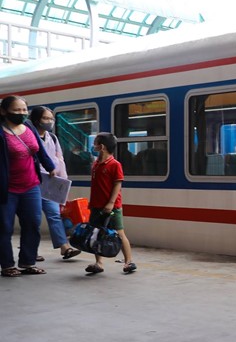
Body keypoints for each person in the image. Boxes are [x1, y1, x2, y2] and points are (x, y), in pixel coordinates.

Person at [1, 96, 56, 277]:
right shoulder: (1, 132)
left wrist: (50, 167)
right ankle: (7, 265)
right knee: (4, 227)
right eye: (16, 110)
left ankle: (27, 262)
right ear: (4, 111)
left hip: (31, 185)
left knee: (32, 224)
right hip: (6, 188)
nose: (21, 114)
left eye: (24, 110)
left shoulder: (30, 127)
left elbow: (39, 149)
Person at [29, 106, 81, 260]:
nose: (49, 122)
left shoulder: (53, 138)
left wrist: (62, 184)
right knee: (33, 218)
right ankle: (31, 251)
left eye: (51, 119)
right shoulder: (29, 136)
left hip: (50, 183)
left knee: (54, 215)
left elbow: (60, 161)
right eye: (46, 118)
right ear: (37, 120)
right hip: (32, 182)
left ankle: (65, 248)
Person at [84, 132, 136, 275]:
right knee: (97, 234)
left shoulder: (115, 164)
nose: (93, 146)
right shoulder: (95, 164)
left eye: (95, 143)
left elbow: (117, 184)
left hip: (112, 206)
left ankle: (129, 261)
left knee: (119, 233)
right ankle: (99, 263)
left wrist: (111, 203)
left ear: (102, 147)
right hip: (96, 205)